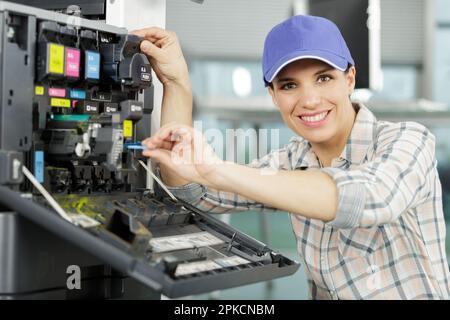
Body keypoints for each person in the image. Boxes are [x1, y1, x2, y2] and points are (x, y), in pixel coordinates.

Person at [132, 15, 450, 299]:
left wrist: (216, 168)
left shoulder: (409, 139)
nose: (309, 100)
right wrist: (176, 83)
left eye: (324, 78)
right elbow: (189, 191)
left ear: (349, 79)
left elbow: (371, 197)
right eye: (289, 85)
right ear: (273, 95)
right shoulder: (290, 162)